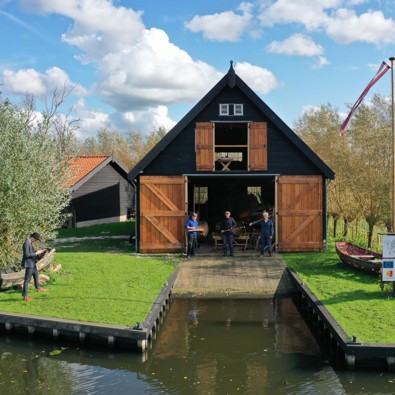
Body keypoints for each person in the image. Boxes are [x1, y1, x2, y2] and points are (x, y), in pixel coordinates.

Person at [21, 232, 48, 301]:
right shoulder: (26, 243)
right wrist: (36, 253)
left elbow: (31, 252)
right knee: (27, 280)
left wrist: (39, 251)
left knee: (36, 275)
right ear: (33, 238)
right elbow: (27, 255)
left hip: (32, 263)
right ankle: (25, 297)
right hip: (29, 264)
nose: (36, 241)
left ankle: (38, 288)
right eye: (36, 239)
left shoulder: (29, 243)